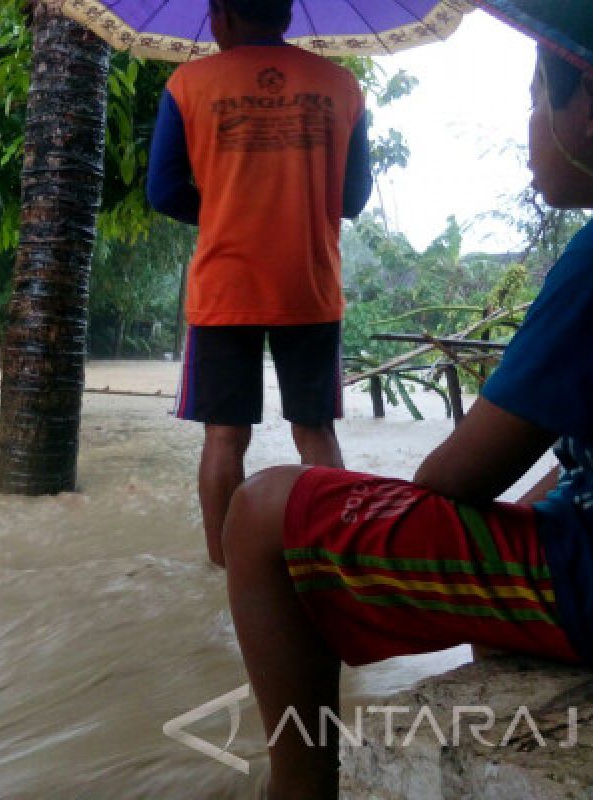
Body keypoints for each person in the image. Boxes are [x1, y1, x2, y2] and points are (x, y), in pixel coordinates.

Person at [220, 1, 593, 796]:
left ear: (591, 107)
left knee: (262, 511)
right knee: (553, 497)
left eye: (537, 99)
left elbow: (452, 480)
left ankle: (297, 787)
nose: (530, 120)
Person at [147, 0, 373, 567]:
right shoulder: (342, 86)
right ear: (288, 13)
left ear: (221, 14)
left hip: (227, 285)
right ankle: (333, 564)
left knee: (225, 436)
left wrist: (229, 207)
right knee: (315, 430)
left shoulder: (188, 83)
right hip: (310, 282)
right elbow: (352, 199)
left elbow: (164, 190)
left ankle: (227, 574)